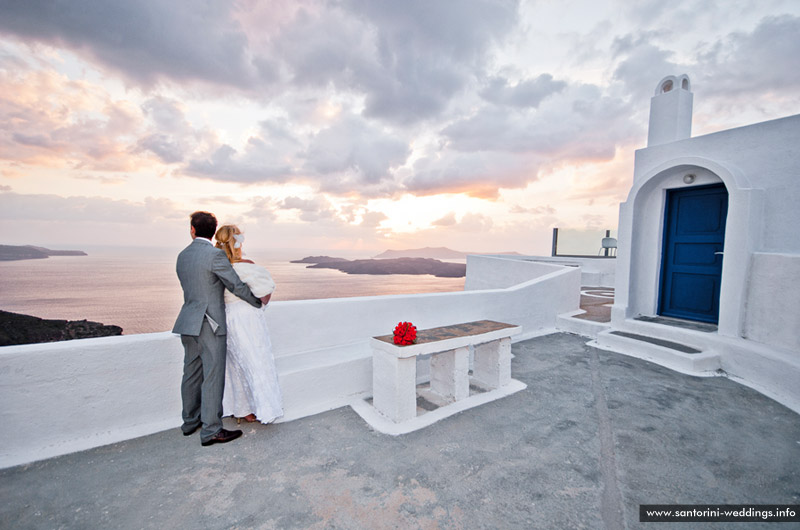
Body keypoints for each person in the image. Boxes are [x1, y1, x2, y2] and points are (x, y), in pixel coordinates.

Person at [172, 211, 268, 447]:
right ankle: (211, 431)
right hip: (211, 324)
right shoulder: (215, 255)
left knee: (191, 374)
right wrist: (255, 301)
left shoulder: (183, 256)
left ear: (192, 230)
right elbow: (234, 285)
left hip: (187, 322)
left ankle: (189, 422)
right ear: (213, 231)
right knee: (213, 376)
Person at [215, 224, 284, 424]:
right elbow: (264, 297)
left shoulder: (218, 267)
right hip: (246, 318)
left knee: (236, 364)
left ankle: (242, 409)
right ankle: (265, 408)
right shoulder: (246, 266)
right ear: (238, 242)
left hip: (227, 317)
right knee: (257, 361)